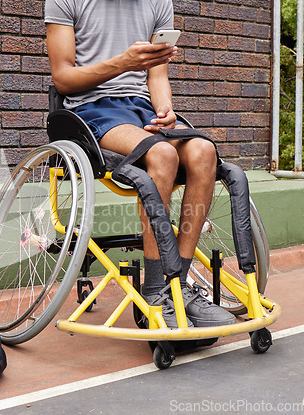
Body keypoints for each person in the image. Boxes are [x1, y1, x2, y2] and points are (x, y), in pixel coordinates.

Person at [44, 0, 235, 328]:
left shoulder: (159, 3)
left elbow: (157, 77)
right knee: (162, 154)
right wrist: (122, 62)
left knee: (203, 152)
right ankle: (156, 290)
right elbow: (63, 79)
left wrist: (165, 109)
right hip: (90, 109)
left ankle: (180, 284)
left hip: (141, 109)